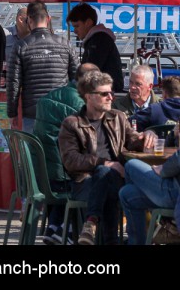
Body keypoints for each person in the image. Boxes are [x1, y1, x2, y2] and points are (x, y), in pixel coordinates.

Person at [59, 70, 156, 245]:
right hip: (85, 181)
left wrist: (146, 136)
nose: (111, 97)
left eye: (111, 93)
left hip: (116, 178)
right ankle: (110, 240)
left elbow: (133, 139)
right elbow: (71, 161)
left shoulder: (117, 117)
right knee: (105, 175)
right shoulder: (72, 123)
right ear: (88, 96)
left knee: (110, 179)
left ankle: (91, 223)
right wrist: (106, 163)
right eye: (104, 94)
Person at [34, 63, 101, 244]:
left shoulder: (48, 97)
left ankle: (55, 227)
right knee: (98, 176)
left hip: (43, 176)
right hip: (64, 178)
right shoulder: (82, 105)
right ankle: (71, 229)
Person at [7, 0, 78, 133]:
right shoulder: (66, 44)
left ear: (29, 20)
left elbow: (13, 83)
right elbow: (77, 80)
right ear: (48, 18)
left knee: (33, 153)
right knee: (59, 152)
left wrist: (12, 113)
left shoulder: (21, 46)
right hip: (61, 112)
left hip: (33, 114)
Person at [118, 126, 180, 245]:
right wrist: (173, 135)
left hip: (175, 192)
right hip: (174, 187)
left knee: (131, 165)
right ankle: (153, 231)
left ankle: (165, 226)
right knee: (126, 194)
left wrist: (163, 169)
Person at [68, 3, 124, 92]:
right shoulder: (97, 39)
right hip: (105, 91)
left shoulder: (99, 40)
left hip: (105, 93)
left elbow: (90, 71)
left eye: (77, 26)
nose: (75, 31)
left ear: (88, 23)